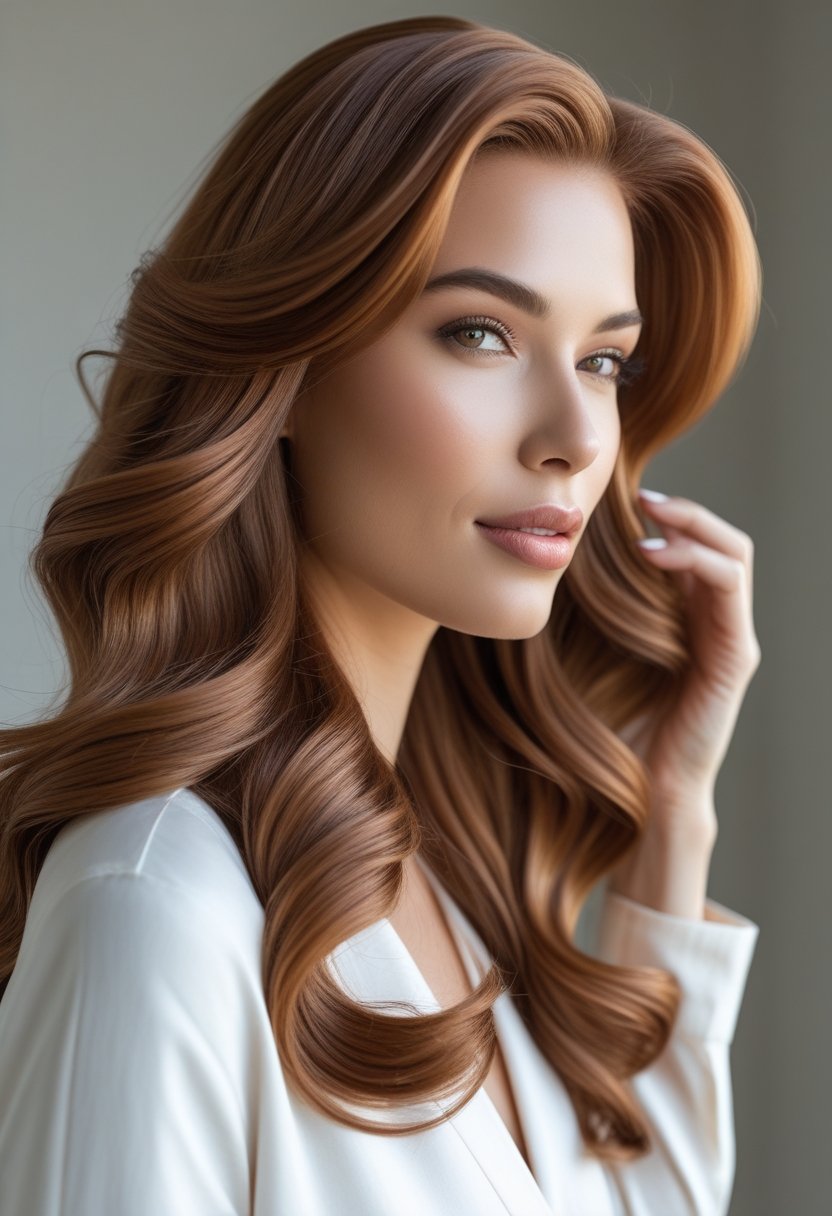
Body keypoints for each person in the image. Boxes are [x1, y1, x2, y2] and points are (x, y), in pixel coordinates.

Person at [0, 14, 762, 1215]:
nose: (572, 439)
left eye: (605, 361)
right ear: (288, 365)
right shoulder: (151, 906)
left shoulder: (447, 885)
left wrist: (674, 813)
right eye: (480, 334)